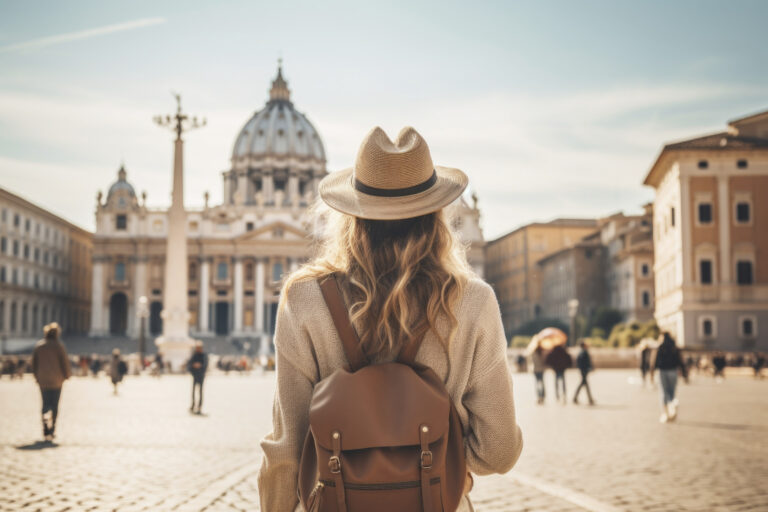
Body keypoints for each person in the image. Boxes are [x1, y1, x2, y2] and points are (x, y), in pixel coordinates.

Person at [257, 127, 523, 511]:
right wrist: (447, 466)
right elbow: (499, 451)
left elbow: (286, 452)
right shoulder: (473, 301)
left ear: (350, 213)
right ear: (437, 215)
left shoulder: (304, 297)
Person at [31, 323, 71, 441]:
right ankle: (52, 428)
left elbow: (34, 363)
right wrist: (67, 375)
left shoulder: (39, 346)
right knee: (54, 405)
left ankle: (45, 427)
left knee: (45, 405)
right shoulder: (59, 346)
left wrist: (37, 376)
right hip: (57, 380)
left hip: (43, 380)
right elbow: (65, 363)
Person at [653, 332, 687, 423]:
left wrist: (651, 374)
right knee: (672, 391)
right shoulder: (674, 347)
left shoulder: (660, 347)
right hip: (673, 371)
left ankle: (666, 413)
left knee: (664, 392)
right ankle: (673, 403)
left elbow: (654, 361)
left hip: (662, 371)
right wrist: (685, 374)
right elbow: (681, 360)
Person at [187, 342, 208, 414]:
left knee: (200, 392)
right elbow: (189, 364)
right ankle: (193, 405)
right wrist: (194, 366)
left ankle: (199, 406)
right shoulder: (194, 355)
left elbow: (205, 365)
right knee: (193, 391)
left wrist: (200, 366)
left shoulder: (204, 356)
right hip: (195, 375)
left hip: (201, 376)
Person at [573, 341, 595, 405]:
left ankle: (577, 397)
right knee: (584, 384)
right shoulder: (584, 352)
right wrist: (588, 368)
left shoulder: (582, 352)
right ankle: (589, 399)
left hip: (583, 370)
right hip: (584, 370)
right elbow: (585, 362)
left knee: (584, 384)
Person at [530, 340, 547, 404]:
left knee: (537, 384)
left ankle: (539, 396)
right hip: (541, 370)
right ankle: (543, 396)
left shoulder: (534, 353)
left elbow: (532, 361)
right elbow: (544, 362)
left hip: (536, 370)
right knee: (542, 383)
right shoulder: (542, 352)